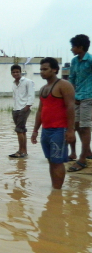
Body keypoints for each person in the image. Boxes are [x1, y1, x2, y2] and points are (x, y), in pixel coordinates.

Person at [31, 58, 76, 189]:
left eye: (45, 69)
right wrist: (35, 130)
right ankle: (54, 192)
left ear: (55, 69)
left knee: (57, 162)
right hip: (46, 130)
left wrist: (70, 130)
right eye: (41, 69)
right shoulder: (43, 88)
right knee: (51, 161)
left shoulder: (64, 85)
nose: (42, 72)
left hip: (59, 130)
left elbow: (70, 107)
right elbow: (40, 110)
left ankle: (57, 193)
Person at [67, 34, 92, 171]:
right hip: (77, 97)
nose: (71, 49)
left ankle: (82, 159)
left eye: (73, 47)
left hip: (89, 97)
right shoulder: (74, 61)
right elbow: (72, 79)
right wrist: (71, 95)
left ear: (80, 47)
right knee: (76, 124)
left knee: (85, 126)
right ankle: (87, 151)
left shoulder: (91, 61)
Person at [9, 64, 35, 158]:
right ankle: (23, 151)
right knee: (22, 130)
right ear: (11, 73)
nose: (15, 73)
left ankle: (21, 151)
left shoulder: (28, 81)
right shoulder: (13, 84)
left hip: (24, 108)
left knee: (19, 130)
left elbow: (31, 95)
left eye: (17, 72)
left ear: (20, 72)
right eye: (13, 72)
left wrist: (27, 107)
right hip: (15, 109)